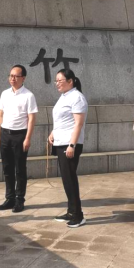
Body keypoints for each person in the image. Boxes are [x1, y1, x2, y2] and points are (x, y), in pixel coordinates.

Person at [0, 65, 38, 213]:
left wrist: (28, 138)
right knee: (7, 168)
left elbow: (31, 119)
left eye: (16, 76)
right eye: (11, 75)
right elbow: (0, 115)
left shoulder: (29, 96)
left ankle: (20, 199)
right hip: (5, 134)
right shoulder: (4, 94)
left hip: (20, 136)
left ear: (23, 78)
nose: (12, 78)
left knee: (20, 169)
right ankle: (10, 198)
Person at [48, 69, 88, 228]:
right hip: (60, 141)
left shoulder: (77, 97)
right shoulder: (64, 96)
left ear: (70, 81)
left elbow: (78, 123)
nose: (57, 83)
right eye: (56, 80)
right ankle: (71, 211)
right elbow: (62, 120)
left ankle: (78, 215)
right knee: (66, 179)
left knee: (70, 179)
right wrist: (53, 132)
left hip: (69, 143)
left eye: (60, 80)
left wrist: (72, 145)